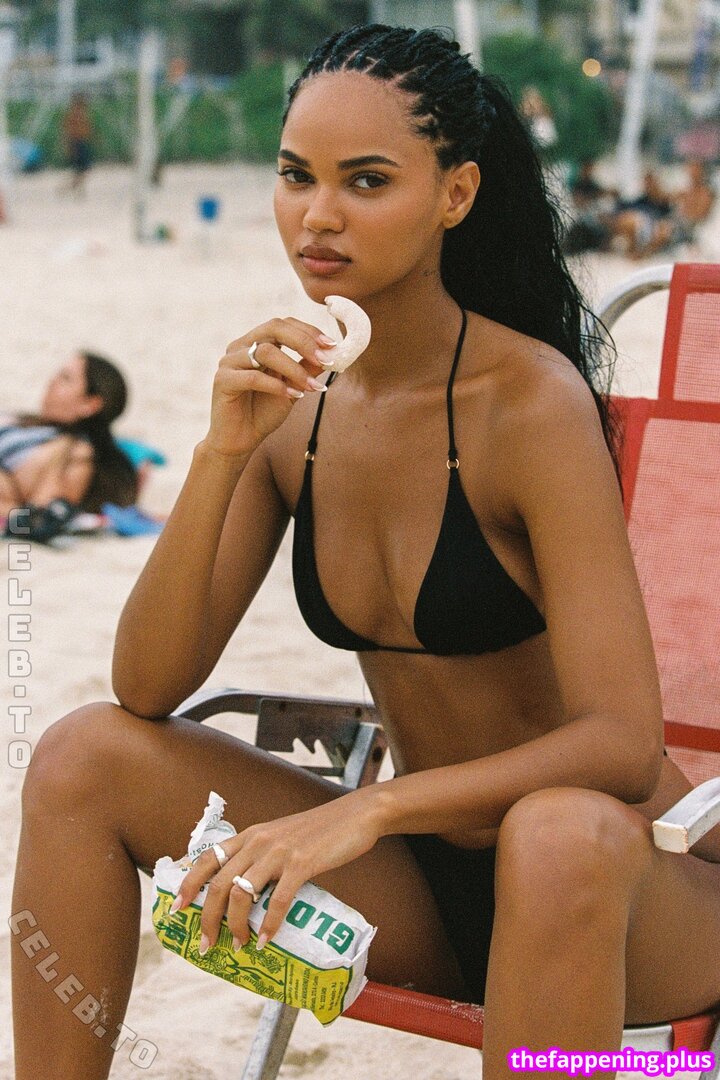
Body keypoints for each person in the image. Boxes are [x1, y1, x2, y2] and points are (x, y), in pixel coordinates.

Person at [11, 23, 720, 1080]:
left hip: (625, 888)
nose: (319, 215)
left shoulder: (529, 405)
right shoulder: (293, 408)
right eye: (297, 175)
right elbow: (146, 687)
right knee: (83, 758)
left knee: (555, 833)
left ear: (456, 194)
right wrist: (220, 453)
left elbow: (621, 744)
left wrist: (367, 808)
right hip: (425, 886)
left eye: (368, 181)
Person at [0, 350, 138, 525]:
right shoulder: (29, 424)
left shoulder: (76, 452)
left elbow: (40, 518)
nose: (53, 381)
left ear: (90, 404)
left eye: (65, 379)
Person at [61, 93, 94, 196]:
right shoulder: (74, 114)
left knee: (82, 169)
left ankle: (75, 189)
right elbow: (67, 131)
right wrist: (68, 146)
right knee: (81, 169)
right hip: (76, 143)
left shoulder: (82, 114)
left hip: (81, 142)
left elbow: (87, 129)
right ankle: (71, 189)